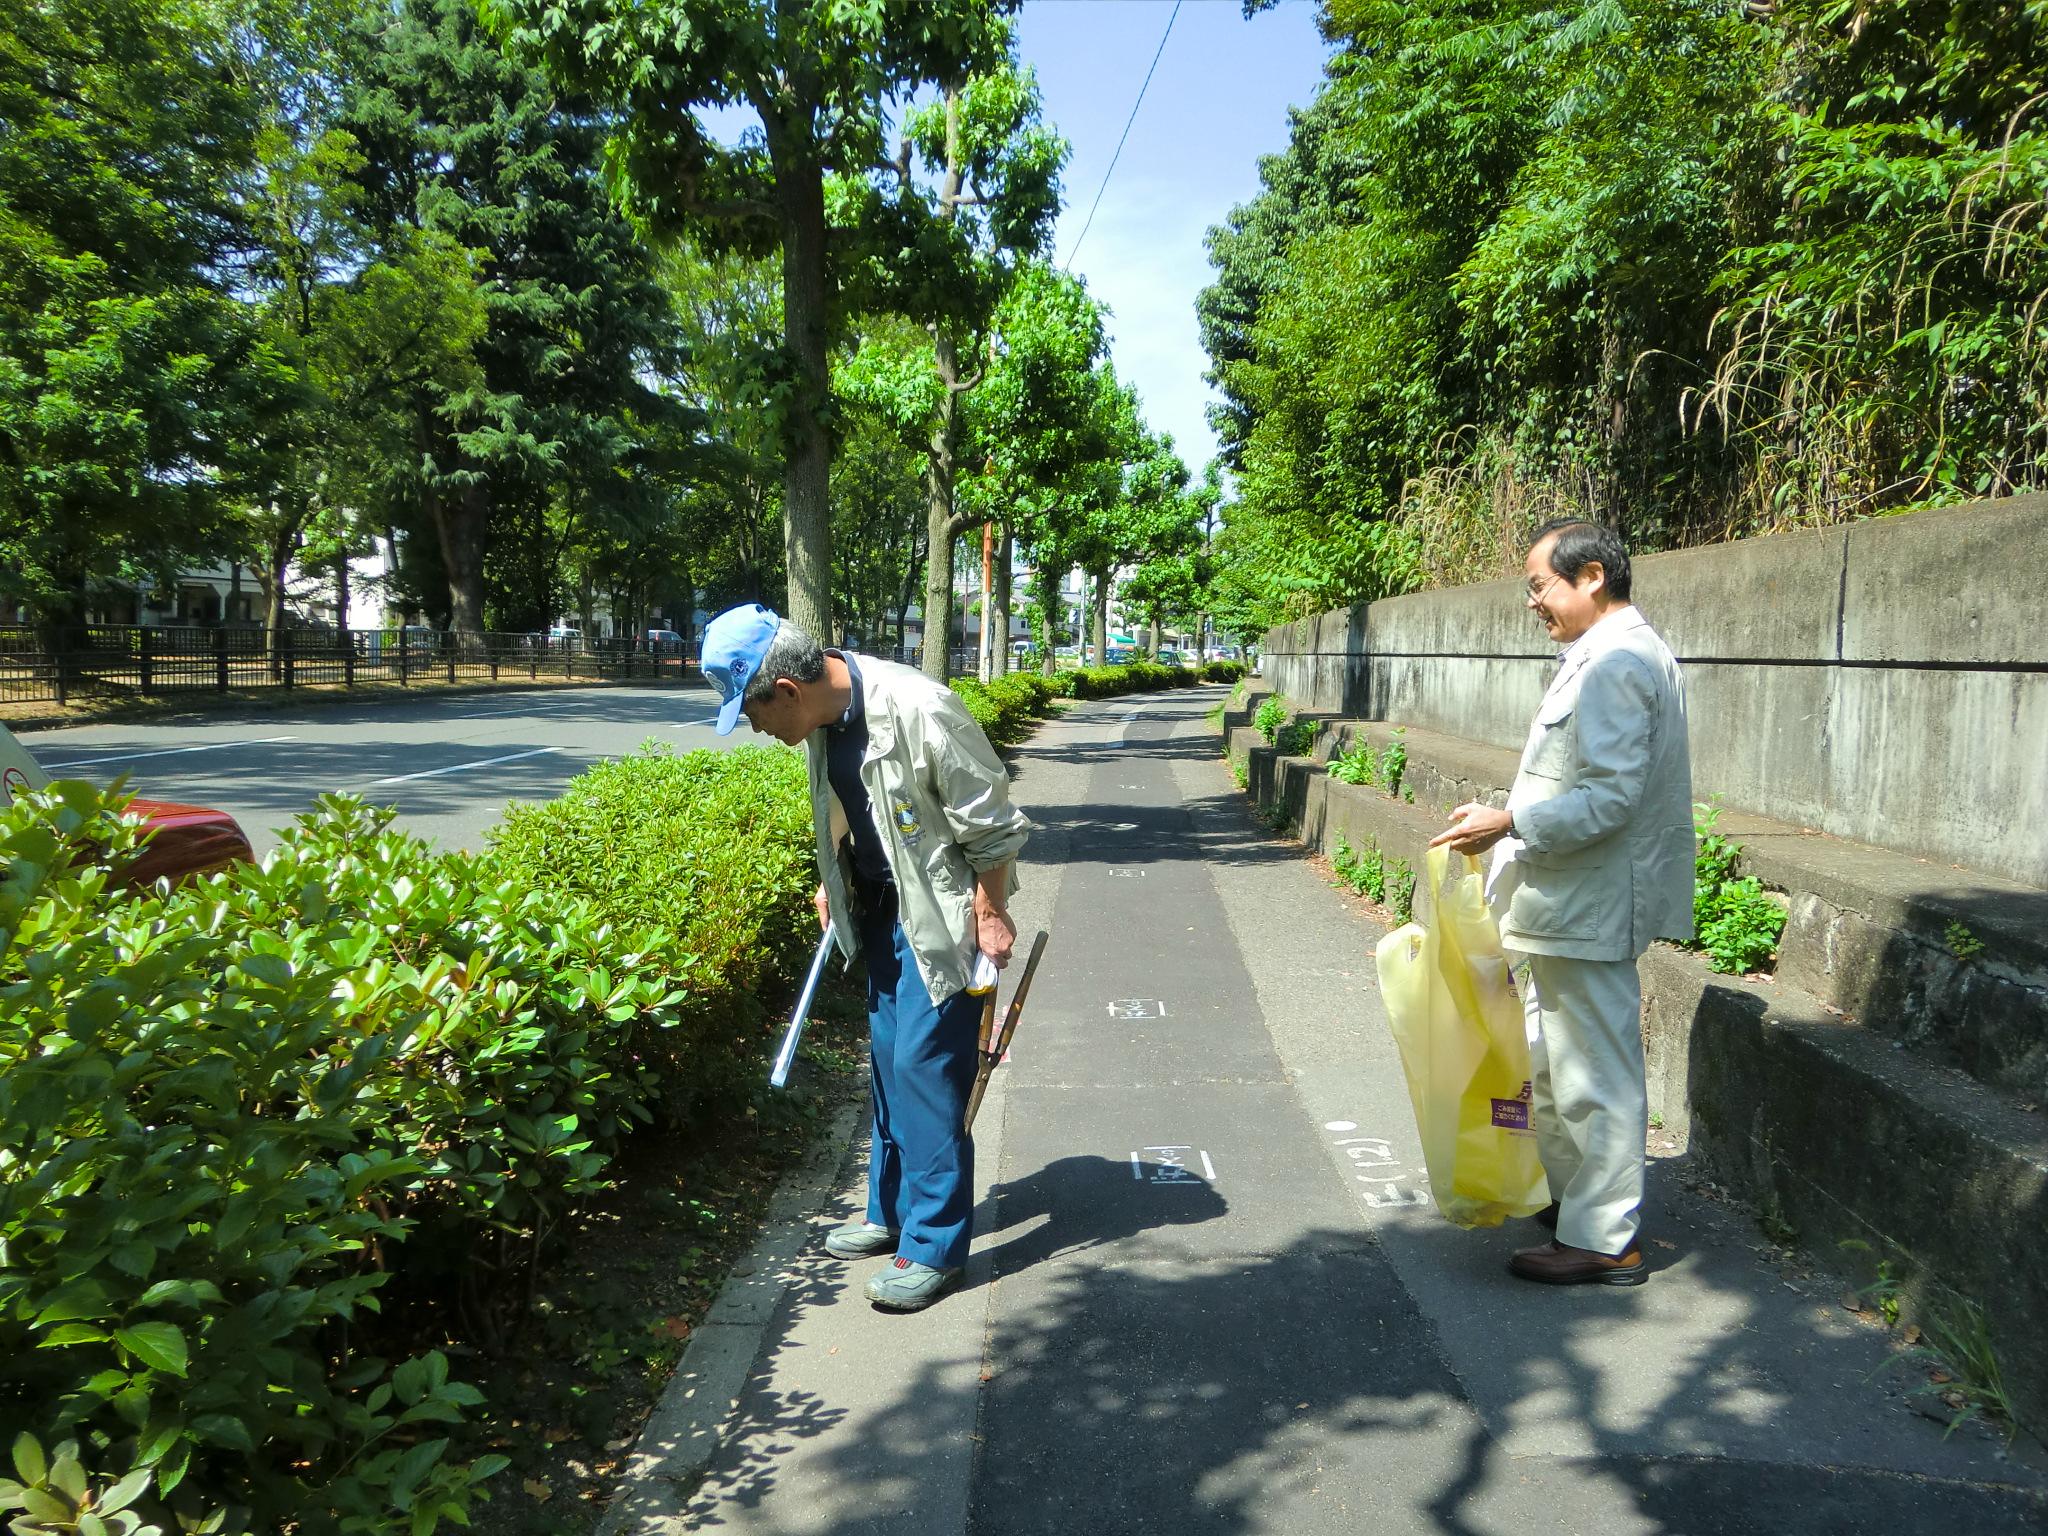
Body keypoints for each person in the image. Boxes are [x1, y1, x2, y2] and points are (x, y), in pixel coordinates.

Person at [700, 604, 1030, 1311]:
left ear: (786, 692)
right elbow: (852, 805)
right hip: (880, 909)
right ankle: (889, 1212)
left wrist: (993, 912)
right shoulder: (824, 716)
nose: (756, 730)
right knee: (886, 1061)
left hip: (938, 917)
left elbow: (993, 826)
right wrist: (833, 875)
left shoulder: (920, 708)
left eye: (753, 714)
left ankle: (935, 1247)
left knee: (924, 1070)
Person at [1429, 520, 1693, 1287]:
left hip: (1590, 902)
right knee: (1555, 1061)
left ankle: (1606, 1240)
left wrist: (1508, 821)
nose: (1532, 602)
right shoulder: (1618, 654)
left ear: (1592, 579)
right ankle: (1575, 1208)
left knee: (1594, 1075)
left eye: (1539, 585)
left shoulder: (1615, 663)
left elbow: (1608, 799)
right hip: (1573, 901)